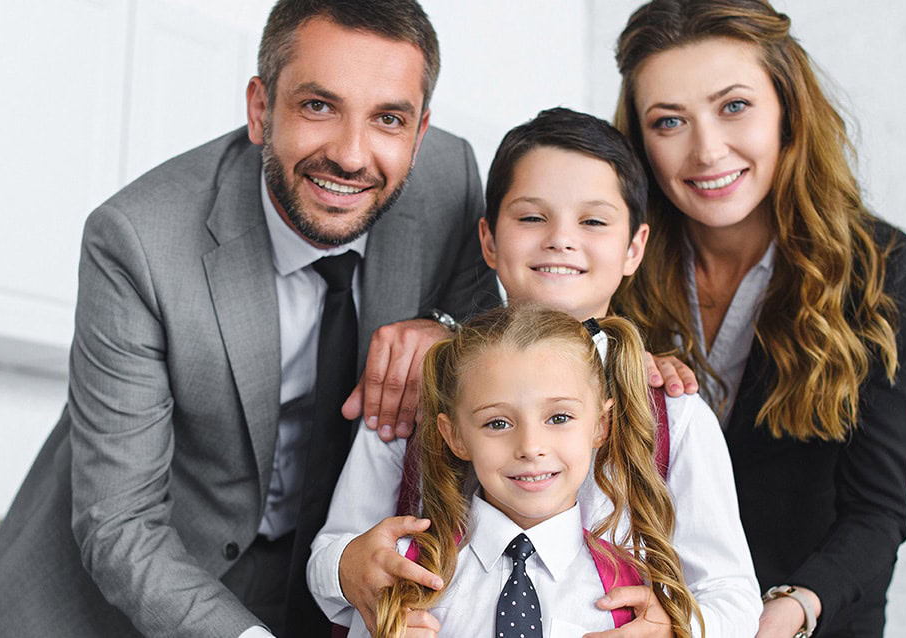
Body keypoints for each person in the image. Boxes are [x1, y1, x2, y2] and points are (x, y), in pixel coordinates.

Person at [0, 1, 500, 636]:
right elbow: (122, 525)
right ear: (259, 109)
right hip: (110, 599)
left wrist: (443, 328)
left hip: (321, 582)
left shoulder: (453, 180)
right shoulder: (137, 242)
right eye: (318, 106)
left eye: (388, 119)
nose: (351, 155)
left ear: (419, 136)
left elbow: (488, 323)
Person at [310, 108, 761, 637]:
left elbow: (731, 594)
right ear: (488, 240)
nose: (560, 240)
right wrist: (350, 570)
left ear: (634, 248)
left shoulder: (674, 413)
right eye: (531, 218)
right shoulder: (421, 386)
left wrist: (679, 630)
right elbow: (332, 556)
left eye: (592, 221)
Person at [610, 1, 906, 636]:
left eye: (733, 106)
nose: (706, 151)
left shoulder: (875, 267)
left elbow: (876, 513)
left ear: (787, 109)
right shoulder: (612, 259)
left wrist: (790, 608)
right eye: (669, 121)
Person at [374, 304, 702, 638]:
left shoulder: (637, 599)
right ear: (455, 436)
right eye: (497, 423)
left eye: (559, 418)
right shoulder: (403, 572)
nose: (530, 447)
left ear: (601, 425)